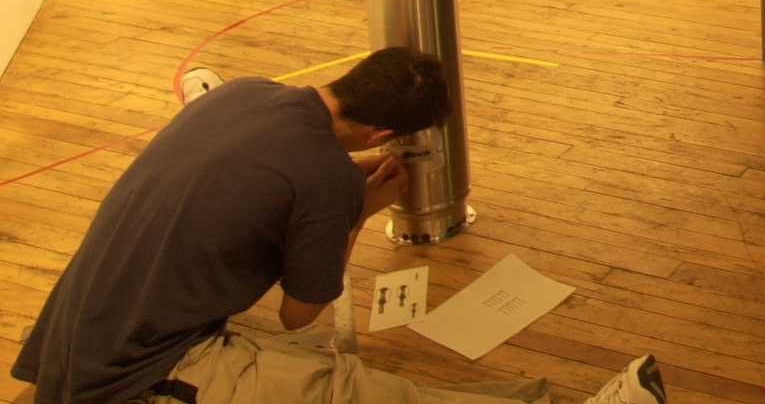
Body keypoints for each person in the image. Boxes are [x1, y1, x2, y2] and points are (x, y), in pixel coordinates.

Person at [13, 47, 668, 404]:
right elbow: (300, 314)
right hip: (130, 379)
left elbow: (267, 166)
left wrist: (336, 186)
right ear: (383, 134)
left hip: (75, 336)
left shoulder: (245, 91)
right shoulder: (326, 183)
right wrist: (356, 211)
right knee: (347, 391)